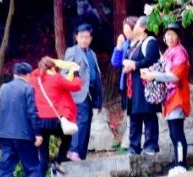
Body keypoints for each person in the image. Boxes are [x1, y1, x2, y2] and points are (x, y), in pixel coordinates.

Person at [142, 23, 192, 175]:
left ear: (178, 37)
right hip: (169, 98)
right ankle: (178, 164)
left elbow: (175, 76)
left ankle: (182, 164)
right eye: (167, 35)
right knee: (173, 133)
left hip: (178, 96)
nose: (170, 38)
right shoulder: (168, 52)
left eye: (173, 34)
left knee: (177, 132)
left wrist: (154, 75)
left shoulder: (180, 52)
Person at [30, 57, 81, 176]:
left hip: (40, 123)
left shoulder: (34, 79)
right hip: (55, 121)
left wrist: (42, 67)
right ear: (52, 67)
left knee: (43, 157)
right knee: (67, 137)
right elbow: (76, 86)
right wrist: (76, 73)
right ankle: (60, 159)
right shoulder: (56, 78)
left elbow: (33, 73)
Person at [0, 62, 43, 177]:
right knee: (32, 168)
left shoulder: (4, 88)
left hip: (4, 134)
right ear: (28, 75)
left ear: (15, 74)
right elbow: (32, 113)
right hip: (23, 135)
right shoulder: (28, 88)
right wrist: (38, 133)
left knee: (4, 168)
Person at [64, 23, 103, 161]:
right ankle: (74, 151)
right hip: (77, 93)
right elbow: (64, 73)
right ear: (76, 37)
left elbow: (96, 75)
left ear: (91, 38)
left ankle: (81, 154)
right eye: (81, 37)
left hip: (91, 93)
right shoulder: (72, 51)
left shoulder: (92, 53)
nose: (84, 40)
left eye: (87, 37)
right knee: (82, 121)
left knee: (87, 122)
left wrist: (99, 100)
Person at [122, 16, 161, 155]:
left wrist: (135, 65)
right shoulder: (135, 44)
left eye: (137, 25)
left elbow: (152, 59)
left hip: (145, 84)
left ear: (143, 27)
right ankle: (134, 146)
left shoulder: (150, 42)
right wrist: (127, 66)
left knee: (148, 114)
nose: (135, 27)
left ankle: (151, 145)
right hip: (133, 86)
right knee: (134, 116)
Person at [110, 16, 138, 109]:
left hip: (138, 84)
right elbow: (115, 63)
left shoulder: (142, 43)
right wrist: (119, 45)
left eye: (127, 29)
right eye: (124, 29)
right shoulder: (126, 44)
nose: (125, 32)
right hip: (125, 84)